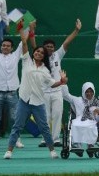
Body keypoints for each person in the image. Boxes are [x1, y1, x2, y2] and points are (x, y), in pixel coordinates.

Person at [4, 25, 68, 159]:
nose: (38, 53)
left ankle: (52, 151)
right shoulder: (26, 60)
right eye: (37, 51)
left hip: (38, 103)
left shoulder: (46, 70)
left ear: (43, 56)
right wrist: (22, 30)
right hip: (24, 101)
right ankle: (9, 151)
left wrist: (61, 82)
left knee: (44, 128)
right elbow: (25, 43)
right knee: (17, 126)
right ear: (34, 53)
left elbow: (52, 84)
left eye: (41, 53)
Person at [38, 19, 82, 147]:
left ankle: (56, 139)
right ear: (43, 48)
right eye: (47, 47)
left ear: (54, 48)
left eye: (51, 47)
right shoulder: (39, 57)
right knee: (45, 117)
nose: (49, 48)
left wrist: (77, 30)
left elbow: (67, 41)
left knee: (57, 114)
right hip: (44, 91)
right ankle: (44, 139)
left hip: (57, 90)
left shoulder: (58, 55)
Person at [0, 21, 26, 149]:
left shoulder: (16, 55)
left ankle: (17, 139)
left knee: (14, 118)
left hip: (13, 93)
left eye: (8, 46)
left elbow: (23, 42)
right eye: (3, 45)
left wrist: (24, 28)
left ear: (11, 48)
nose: (5, 47)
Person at [61, 81, 99, 157]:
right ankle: (78, 146)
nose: (89, 93)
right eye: (87, 92)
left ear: (94, 92)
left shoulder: (96, 102)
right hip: (79, 119)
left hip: (91, 120)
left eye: (91, 91)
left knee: (91, 126)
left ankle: (90, 145)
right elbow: (65, 95)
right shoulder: (77, 100)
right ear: (83, 92)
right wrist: (63, 83)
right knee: (75, 125)